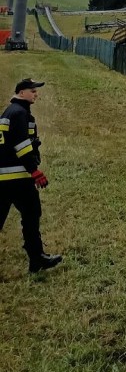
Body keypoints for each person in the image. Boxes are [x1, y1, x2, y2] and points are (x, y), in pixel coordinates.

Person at [0, 78, 62, 274]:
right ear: (20, 92)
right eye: (32, 90)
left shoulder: (11, 112)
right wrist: (34, 170)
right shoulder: (19, 113)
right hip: (17, 177)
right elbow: (21, 146)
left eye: (36, 91)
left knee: (29, 215)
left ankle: (37, 259)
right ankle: (37, 258)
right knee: (32, 214)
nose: (36, 94)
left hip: (6, 177)